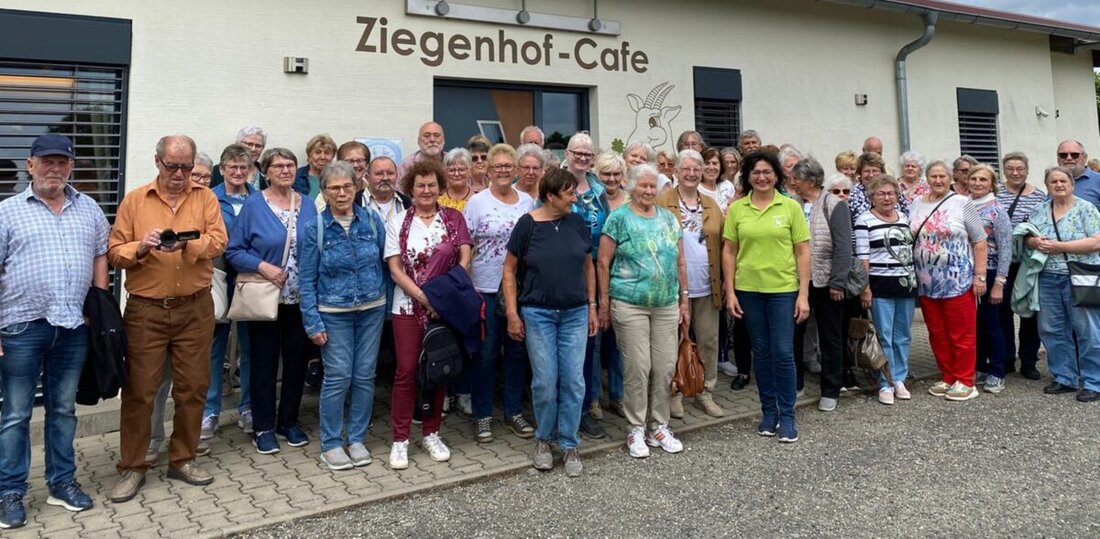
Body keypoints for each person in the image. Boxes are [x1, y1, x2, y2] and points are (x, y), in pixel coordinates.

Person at [107, 135, 228, 502]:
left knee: (193, 388)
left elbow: (219, 241)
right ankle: (132, 467)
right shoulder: (135, 200)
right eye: (172, 166)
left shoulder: (205, 197)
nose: (179, 174)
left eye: (187, 167)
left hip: (195, 307)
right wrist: (141, 246)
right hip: (146, 310)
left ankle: (182, 459)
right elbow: (114, 252)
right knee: (140, 391)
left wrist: (188, 244)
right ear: (157, 161)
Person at [0, 135, 108, 528]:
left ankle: (61, 483)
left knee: (63, 411)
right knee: (15, 414)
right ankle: (10, 490)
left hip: (74, 326)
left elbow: (100, 254)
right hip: (20, 326)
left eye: (62, 162)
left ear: (71, 166)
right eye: (46, 162)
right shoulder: (8, 212)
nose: (54, 169)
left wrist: (99, 307)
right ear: (30, 165)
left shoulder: (89, 208)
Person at [226, 147, 319, 455]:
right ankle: (263, 426)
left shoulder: (307, 205)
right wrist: (262, 266)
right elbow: (233, 250)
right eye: (277, 165)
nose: (284, 170)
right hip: (264, 299)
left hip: (300, 300)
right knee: (264, 365)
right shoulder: (254, 205)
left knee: (296, 363)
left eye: (290, 165)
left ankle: (288, 422)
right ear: (265, 171)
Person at [503, 167, 595, 476]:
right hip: (538, 313)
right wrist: (513, 313)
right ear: (551, 196)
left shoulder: (578, 223)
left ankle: (568, 443)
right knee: (544, 381)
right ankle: (544, 439)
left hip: (575, 313)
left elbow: (588, 266)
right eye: (568, 193)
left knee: (573, 380)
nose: (574, 197)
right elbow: (509, 270)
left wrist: (593, 306)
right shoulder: (527, 226)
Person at [298, 161, 387, 470]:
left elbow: (384, 266)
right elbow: (305, 280)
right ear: (323, 191)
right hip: (333, 313)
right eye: (334, 187)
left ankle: (358, 438)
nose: (341, 193)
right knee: (338, 377)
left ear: (357, 187)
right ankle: (332, 443)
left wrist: (383, 304)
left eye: (347, 186)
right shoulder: (315, 228)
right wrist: (312, 321)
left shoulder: (372, 221)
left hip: (371, 311)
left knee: (364, 375)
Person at [384, 159, 472, 469]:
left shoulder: (453, 218)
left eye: (432, 185)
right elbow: (395, 269)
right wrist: (424, 297)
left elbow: (463, 261)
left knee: (439, 369)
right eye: (420, 185)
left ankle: (432, 432)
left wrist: (443, 297)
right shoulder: (398, 222)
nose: (426, 190)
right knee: (407, 371)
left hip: (445, 307)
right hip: (407, 306)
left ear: (440, 187)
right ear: (411, 188)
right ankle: (400, 439)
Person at [598, 163, 689, 458]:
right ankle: (635, 427)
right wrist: (604, 303)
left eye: (653, 186)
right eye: (643, 186)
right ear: (631, 187)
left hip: (665, 304)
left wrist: (684, 300)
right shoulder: (618, 218)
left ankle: (659, 425)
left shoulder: (668, 219)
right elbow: (602, 262)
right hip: (629, 303)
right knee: (638, 367)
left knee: (664, 367)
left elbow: (680, 262)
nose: (648, 191)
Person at [724, 151, 810, 443]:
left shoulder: (790, 207)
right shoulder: (737, 209)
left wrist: (803, 295)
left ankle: (787, 415)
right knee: (760, 353)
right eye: (756, 172)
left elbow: (802, 251)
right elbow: (729, 251)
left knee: (784, 353)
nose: (762, 177)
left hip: (783, 291)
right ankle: (768, 413)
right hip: (749, 290)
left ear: (777, 176)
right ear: (748, 177)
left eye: (767, 172)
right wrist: (730, 292)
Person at [465, 144, 535, 442]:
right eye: (498, 166)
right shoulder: (477, 203)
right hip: (485, 289)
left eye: (509, 165)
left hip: (519, 291)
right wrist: (467, 289)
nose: (504, 170)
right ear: (488, 170)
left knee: (517, 352)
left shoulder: (528, 202)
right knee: (487, 354)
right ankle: (483, 415)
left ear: (516, 169)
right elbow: (466, 247)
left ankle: (513, 412)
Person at [909, 160, 987, 402]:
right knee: (937, 332)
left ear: (951, 177)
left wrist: (980, 276)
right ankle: (948, 375)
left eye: (943, 176)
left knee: (961, 333)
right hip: (927, 281)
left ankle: (965, 380)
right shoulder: (915, 204)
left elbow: (980, 241)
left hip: (958, 279)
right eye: (933, 176)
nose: (938, 180)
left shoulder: (962, 203)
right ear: (927, 178)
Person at [657, 150, 725, 418]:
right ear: (676, 172)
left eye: (696, 169)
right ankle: (675, 391)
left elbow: (723, 243)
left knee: (708, 341)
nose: (691, 173)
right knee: (673, 342)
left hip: (708, 286)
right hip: (673, 288)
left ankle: (705, 391)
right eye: (686, 169)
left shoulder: (711, 204)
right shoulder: (663, 202)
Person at [1026, 166, 1100, 402]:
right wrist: (1033, 241)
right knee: (1052, 329)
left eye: (1062, 181)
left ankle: (1093, 381)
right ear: (1047, 186)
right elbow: (1027, 237)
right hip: (1047, 276)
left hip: (1079, 277)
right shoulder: (1039, 209)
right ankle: (1065, 377)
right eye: (1053, 182)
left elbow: (1097, 242)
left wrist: (1061, 247)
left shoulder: (1086, 209)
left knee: (1087, 331)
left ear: (1072, 184)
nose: (1058, 185)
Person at [199, 145, 257, 441]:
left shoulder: (258, 199)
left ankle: (247, 407)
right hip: (217, 279)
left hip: (249, 280)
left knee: (249, 348)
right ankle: (209, 411)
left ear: (250, 170)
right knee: (214, 347)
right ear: (222, 170)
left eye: (242, 168)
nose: (237, 172)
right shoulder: (208, 197)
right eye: (231, 167)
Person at [788, 156, 853, 412]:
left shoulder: (834, 204)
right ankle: (796, 384)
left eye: (797, 179)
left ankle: (831, 388)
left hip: (827, 282)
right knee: (795, 334)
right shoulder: (791, 203)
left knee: (830, 336)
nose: (793, 183)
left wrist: (838, 282)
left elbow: (844, 247)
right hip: (796, 281)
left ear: (811, 180)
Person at [563, 133, 612, 440]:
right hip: (564, 271)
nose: (582, 157)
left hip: (595, 268)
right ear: (567, 153)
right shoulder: (555, 182)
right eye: (577, 152)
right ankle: (565, 410)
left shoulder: (598, 189)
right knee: (567, 348)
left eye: (587, 153)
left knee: (590, 345)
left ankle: (586, 408)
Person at [855, 175, 917, 405]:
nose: (886, 197)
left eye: (890, 193)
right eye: (880, 193)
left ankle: (899, 378)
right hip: (879, 285)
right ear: (871, 197)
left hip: (905, 284)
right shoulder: (864, 220)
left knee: (903, 335)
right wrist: (865, 288)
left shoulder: (903, 217)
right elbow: (863, 257)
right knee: (883, 337)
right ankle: (884, 382)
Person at [997, 152, 1045, 379]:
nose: (1015, 173)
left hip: (1027, 262)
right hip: (1001, 262)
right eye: (1010, 169)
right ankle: (1007, 358)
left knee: (1029, 311)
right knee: (1002, 311)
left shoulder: (1039, 196)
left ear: (1027, 170)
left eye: (1019, 168)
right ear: (1004, 170)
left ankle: (1028, 360)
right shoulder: (995, 193)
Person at [969, 165, 1013, 394]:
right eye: (973, 178)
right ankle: (979, 367)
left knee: (991, 324)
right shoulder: (962, 205)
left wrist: (999, 283)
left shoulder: (997, 210)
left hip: (992, 271)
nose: (977, 183)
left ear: (992, 183)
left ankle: (997, 371)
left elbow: (1006, 248)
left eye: (983, 179)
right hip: (966, 273)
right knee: (974, 325)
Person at [362, 156, 411, 223]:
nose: (385, 178)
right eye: (379, 174)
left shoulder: (407, 203)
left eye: (390, 173)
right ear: (367, 178)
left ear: (397, 176)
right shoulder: (355, 202)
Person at [1056, 140, 1100, 209]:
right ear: (1058, 158)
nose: (1069, 158)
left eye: (1074, 155)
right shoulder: (1055, 182)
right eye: (1063, 155)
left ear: (1084, 158)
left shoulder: (1098, 181)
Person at [848, 152, 886, 226]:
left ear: (882, 173)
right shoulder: (852, 195)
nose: (871, 175)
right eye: (867, 171)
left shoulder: (891, 193)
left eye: (875, 171)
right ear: (860, 173)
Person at [293, 134, 336, 199]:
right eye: (317, 152)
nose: (322, 157)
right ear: (309, 155)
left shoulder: (338, 178)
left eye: (327, 153)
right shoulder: (296, 176)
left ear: (332, 157)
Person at [699, 147, 736, 213]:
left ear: (721, 166)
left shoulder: (727, 186)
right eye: (707, 163)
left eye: (715, 163)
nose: (711, 167)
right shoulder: (695, 188)